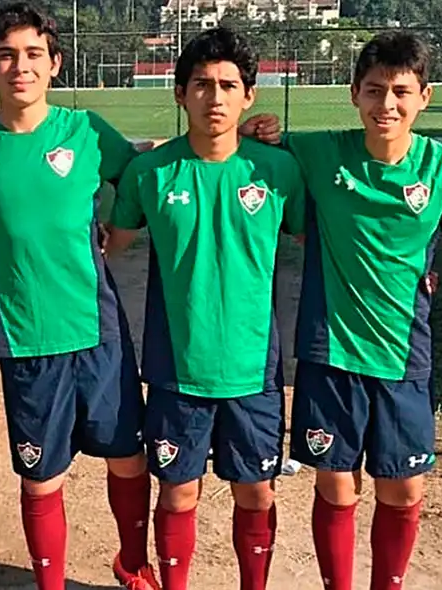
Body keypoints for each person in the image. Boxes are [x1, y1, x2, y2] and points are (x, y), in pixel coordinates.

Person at [0, 3, 160, 589]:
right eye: (6, 55)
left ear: (55, 64)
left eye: (33, 54)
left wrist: (241, 139)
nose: (20, 66)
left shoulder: (87, 131)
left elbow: (144, 176)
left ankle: (133, 563)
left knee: (128, 457)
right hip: (26, 333)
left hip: (97, 327)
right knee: (41, 477)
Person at [264, 31, 442, 590]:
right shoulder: (321, 152)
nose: (387, 104)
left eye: (401, 92)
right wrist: (255, 130)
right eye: (374, 90)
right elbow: (253, 147)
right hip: (332, 350)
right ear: (354, 94)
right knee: (337, 487)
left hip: (403, 352)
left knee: (404, 488)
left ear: (424, 97)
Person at [104, 28, 305, 590]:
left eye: (228, 85)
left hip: (253, 368)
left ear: (249, 96)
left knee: (257, 492)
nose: (214, 97)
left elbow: (322, 240)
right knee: (177, 491)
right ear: (180, 93)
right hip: (177, 368)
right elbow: (108, 244)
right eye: (201, 85)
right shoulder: (151, 173)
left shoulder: (277, 171)